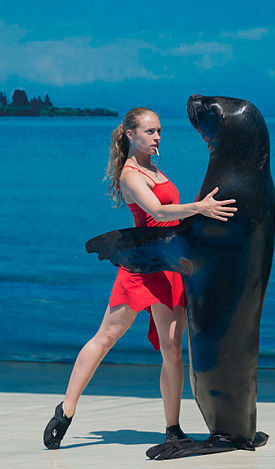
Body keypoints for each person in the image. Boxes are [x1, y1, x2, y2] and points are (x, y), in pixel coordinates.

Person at [43, 107, 238, 450]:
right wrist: (200, 208)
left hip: (169, 266)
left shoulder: (153, 168)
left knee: (173, 351)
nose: (157, 136)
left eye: (159, 130)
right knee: (106, 337)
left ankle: (172, 428)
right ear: (131, 135)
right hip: (141, 265)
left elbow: (171, 216)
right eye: (149, 132)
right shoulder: (131, 175)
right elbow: (159, 212)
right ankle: (66, 409)